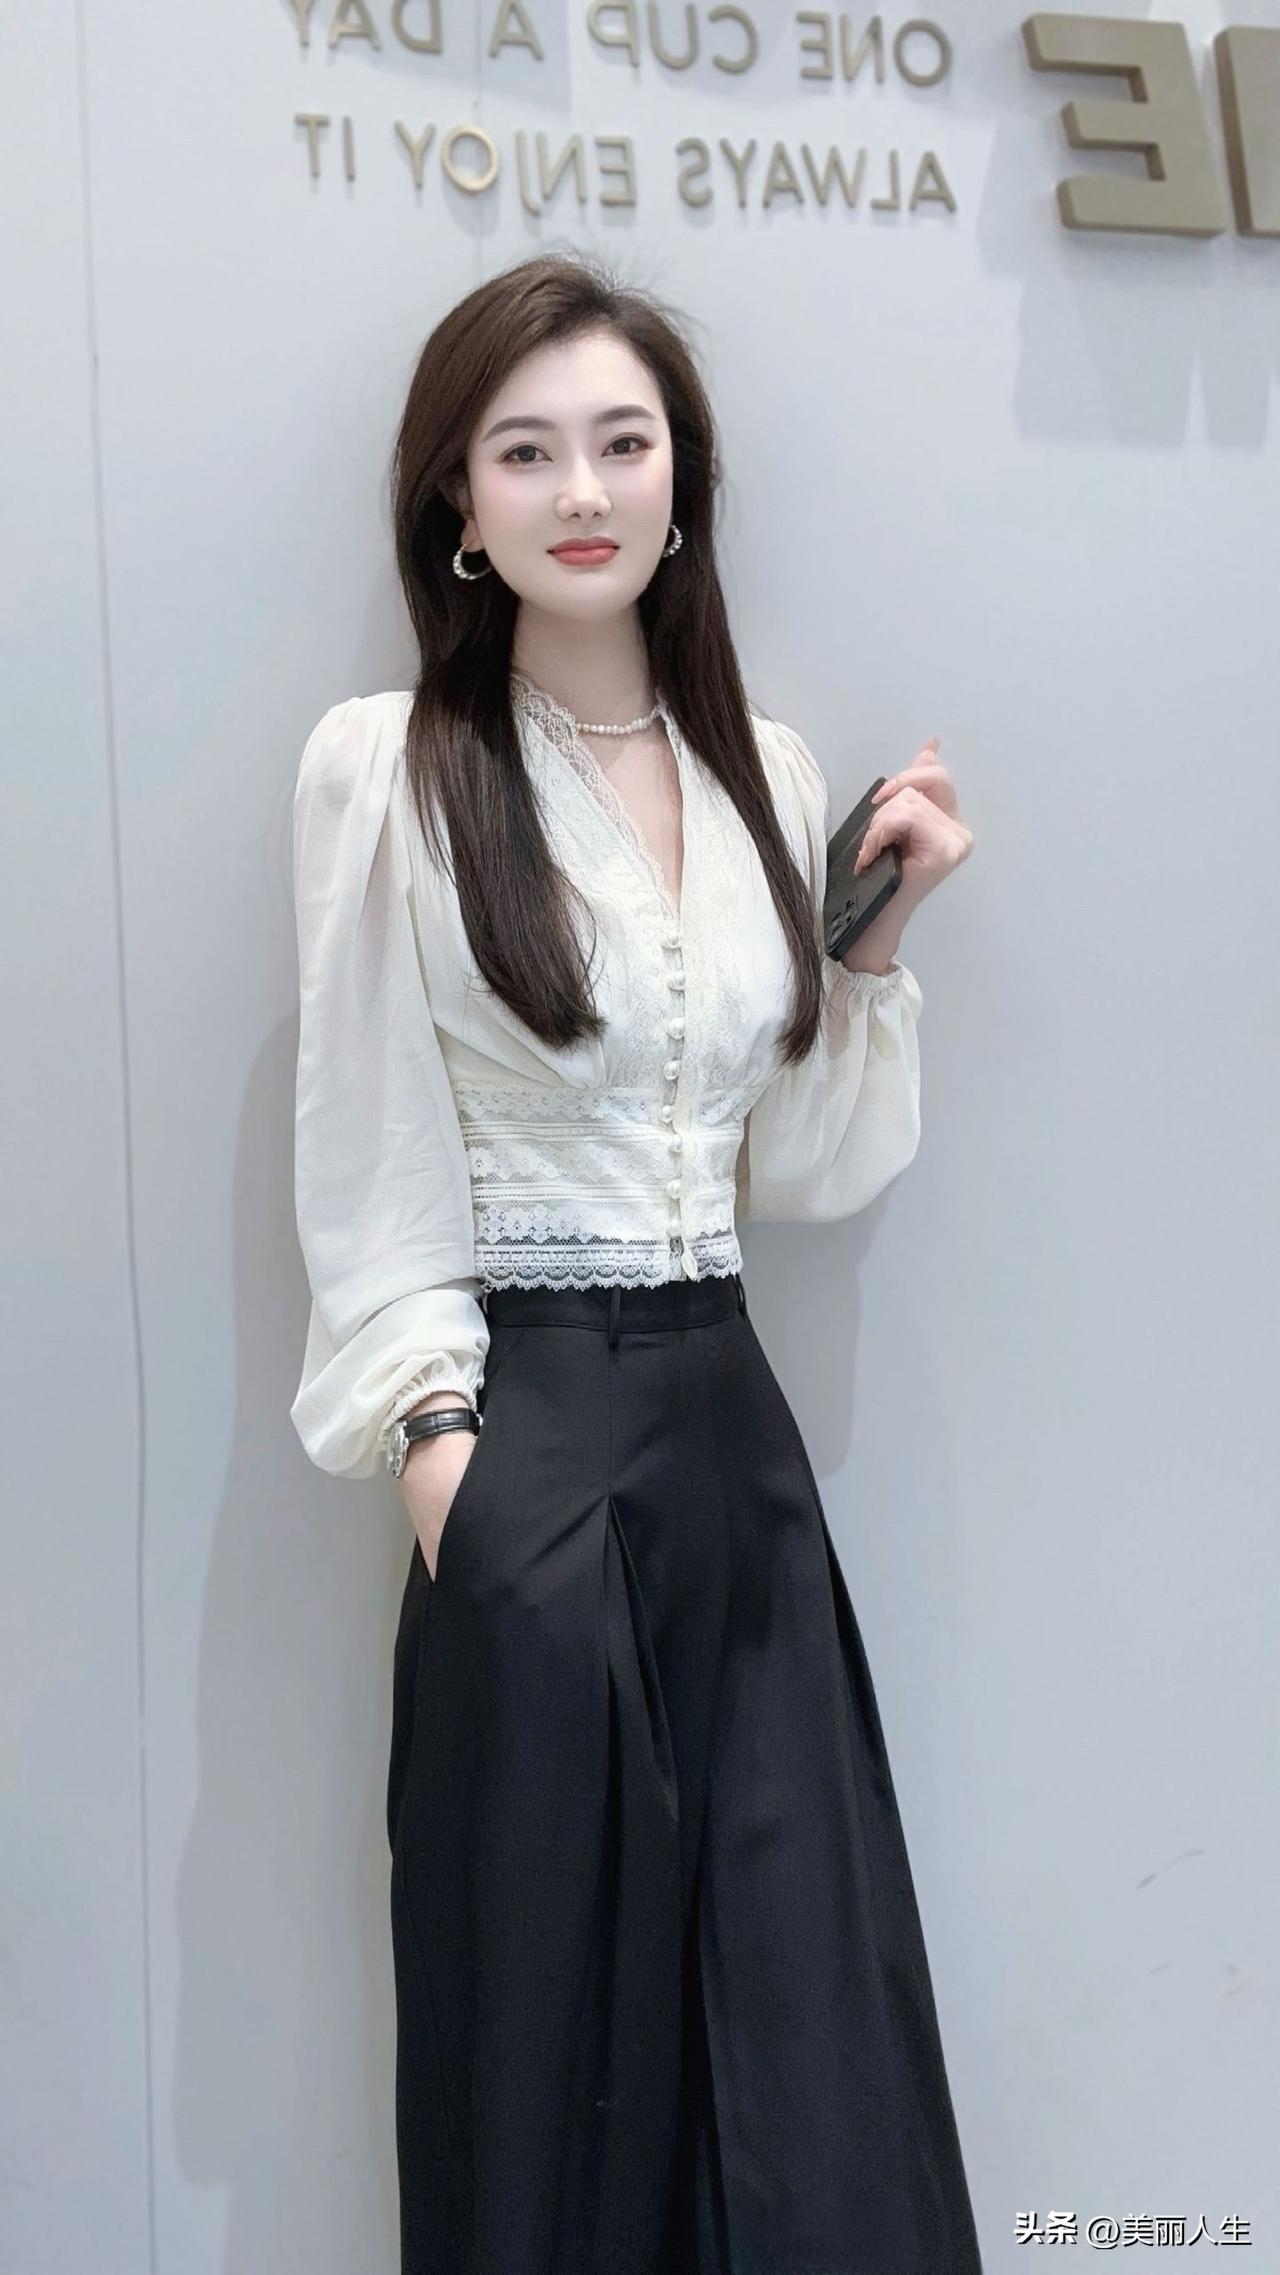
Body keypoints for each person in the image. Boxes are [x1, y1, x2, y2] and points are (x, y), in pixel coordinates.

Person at [288, 248, 981, 2275]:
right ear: (457, 500)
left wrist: (868, 943)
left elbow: (803, 1171)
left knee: (802, 2035)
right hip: (527, 1429)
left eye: (622, 441)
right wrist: (447, 1458)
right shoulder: (391, 767)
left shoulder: (763, 766)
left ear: (684, 478)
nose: (581, 488)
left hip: (732, 1446)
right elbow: (365, 1140)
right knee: (553, 2050)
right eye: (525, 451)